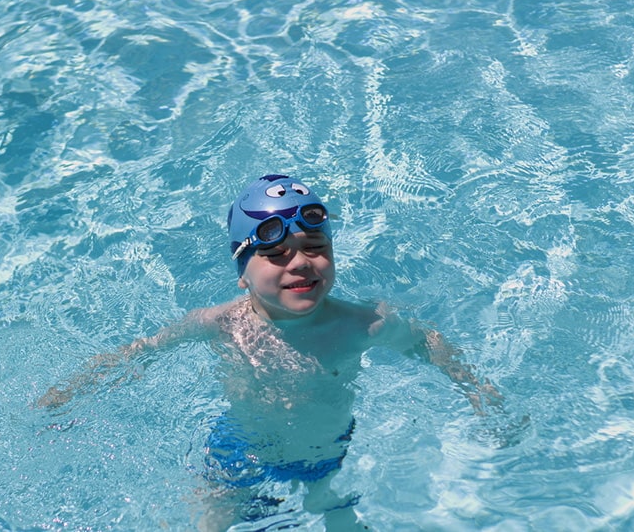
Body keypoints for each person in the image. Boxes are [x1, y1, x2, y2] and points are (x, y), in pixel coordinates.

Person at [38, 174, 501, 530]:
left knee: (333, 509)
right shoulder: (219, 323)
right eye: (276, 254)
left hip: (326, 446)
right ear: (242, 274)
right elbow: (141, 352)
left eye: (315, 247)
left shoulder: (362, 324)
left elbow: (426, 344)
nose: (300, 261)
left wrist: (476, 390)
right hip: (240, 447)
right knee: (209, 521)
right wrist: (73, 391)